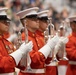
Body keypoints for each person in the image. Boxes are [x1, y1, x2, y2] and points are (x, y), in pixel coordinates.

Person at [17, 7, 59, 75]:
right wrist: (49, 46)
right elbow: (33, 60)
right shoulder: (24, 37)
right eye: (34, 19)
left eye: (37, 19)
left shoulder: (38, 37)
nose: (38, 21)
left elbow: (47, 61)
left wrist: (51, 49)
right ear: (26, 22)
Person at [0, 7, 33, 75]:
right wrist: (20, 52)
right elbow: (2, 64)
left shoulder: (7, 43)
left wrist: (24, 54)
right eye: (4, 22)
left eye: (7, 22)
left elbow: (21, 66)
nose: (7, 24)